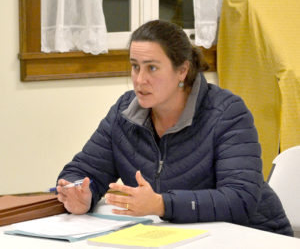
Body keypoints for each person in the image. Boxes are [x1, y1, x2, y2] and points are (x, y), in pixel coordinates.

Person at [56, 20, 293, 236]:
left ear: (182, 70)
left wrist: (162, 204)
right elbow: (82, 170)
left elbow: (240, 199)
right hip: (175, 237)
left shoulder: (227, 113)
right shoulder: (124, 112)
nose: (139, 80)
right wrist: (80, 195)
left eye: (152, 68)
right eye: (135, 66)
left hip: (254, 236)